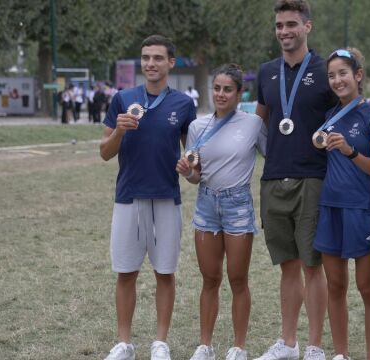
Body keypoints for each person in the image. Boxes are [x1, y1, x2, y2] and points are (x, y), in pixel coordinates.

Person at [99, 34, 196, 360]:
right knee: (126, 272)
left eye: (158, 58)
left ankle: (160, 343)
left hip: (167, 199)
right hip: (128, 197)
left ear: (171, 62)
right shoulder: (123, 98)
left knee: (165, 272)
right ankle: (124, 343)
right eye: (146, 58)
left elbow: (193, 161)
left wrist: (190, 172)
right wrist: (120, 131)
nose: (151, 64)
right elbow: (104, 153)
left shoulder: (183, 104)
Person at [254, 1, 336, 359]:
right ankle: (288, 343)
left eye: (291, 24)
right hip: (273, 178)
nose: (284, 31)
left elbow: (343, 118)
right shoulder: (266, 72)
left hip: (313, 177)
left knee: (312, 265)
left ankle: (315, 346)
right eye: (279, 25)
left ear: (308, 27)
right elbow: (258, 124)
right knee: (287, 265)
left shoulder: (326, 70)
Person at [176, 64, 267, 360]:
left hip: (238, 204)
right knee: (209, 278)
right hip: (206, 204)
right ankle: (205, 345)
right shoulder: (197, 127)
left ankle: (239, 346)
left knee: (237, 278)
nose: (221, 94)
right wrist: (186, 172)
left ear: (240, 93)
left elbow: (273, 155)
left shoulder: (253, 123)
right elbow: (195, 175)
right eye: (217, 88)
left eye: (228, 89)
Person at [312, 48, 370, 360]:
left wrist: (350, 152)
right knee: (336, 286)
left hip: (362, 210)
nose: (337, 80)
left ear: (358, 75)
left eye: (343, 73)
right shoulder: (329, 117)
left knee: (367, 289)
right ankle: (341, 354)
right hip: (330, 208)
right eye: (332, 75)